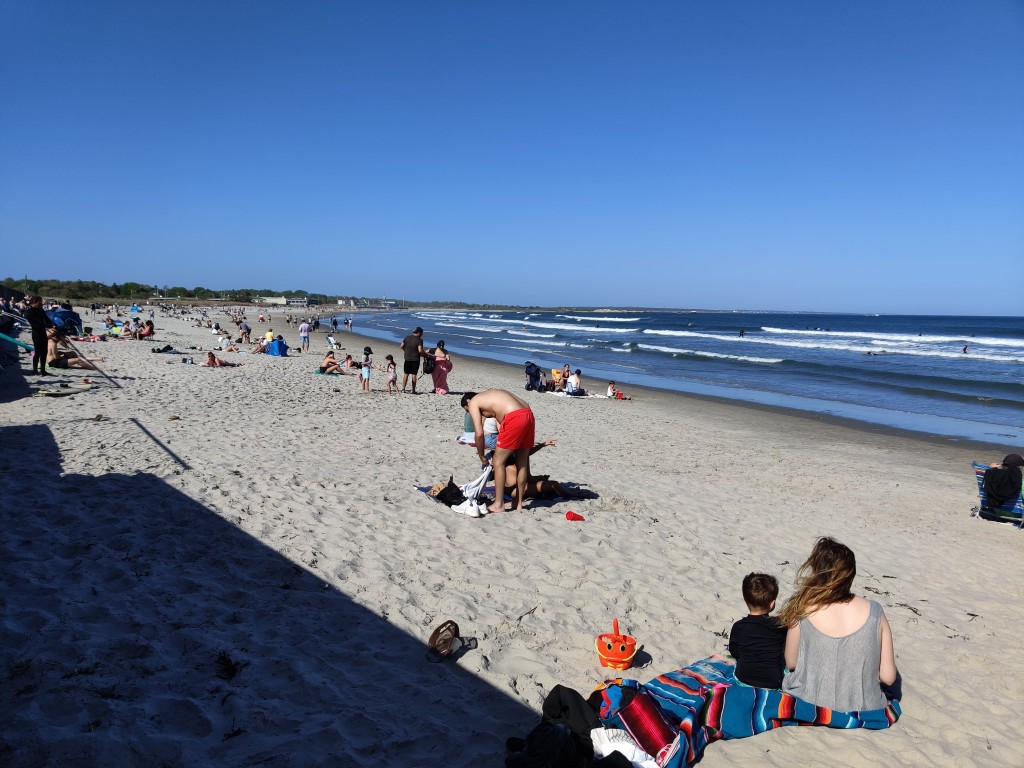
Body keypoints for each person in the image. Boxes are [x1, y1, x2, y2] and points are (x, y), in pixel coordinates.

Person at [778, 537, 898, 711]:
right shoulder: (875, 612)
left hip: (810, 701)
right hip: (865, 706)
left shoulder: (804, 608)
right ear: (851, 574)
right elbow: (888, 677)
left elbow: (791, 662)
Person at [462, 390, 535, 513]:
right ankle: (518, 503)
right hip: (528, 413)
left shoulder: (474, 402)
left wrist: (481, 455)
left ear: (468, 402)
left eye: (467, 410)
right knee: (521, 462)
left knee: (497, 461)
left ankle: (498, 504)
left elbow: (479, 434)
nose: (469, 413)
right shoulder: (490, 396)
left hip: (514, 416)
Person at [728, 573, 787, 688]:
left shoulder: (739, 627)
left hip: (743, 678)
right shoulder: (780, 626)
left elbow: (734, 651)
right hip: (773, 682)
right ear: (772, 604)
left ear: (746, 600)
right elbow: (783, 653)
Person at [24, 295, 54, 375]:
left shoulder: (40, 309)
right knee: (38, 352)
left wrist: (52, 323)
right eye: (39, 302)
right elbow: (38, 323)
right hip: (36, 333)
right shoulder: (29, 312)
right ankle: (34, 369)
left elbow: (46, 318)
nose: (41, 303)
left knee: (44, 352)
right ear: (34, 302)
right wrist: (48, 325)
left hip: (42, 332)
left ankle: (43, 370)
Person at [400, 326, 428, 393]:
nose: (422, 334)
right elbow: (420, 350)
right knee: (414, 374)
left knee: (406, 374)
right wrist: (425, 355)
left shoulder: (407, 338)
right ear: (418, 333)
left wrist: (406, 351)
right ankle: (413, 390)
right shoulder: (419, 340)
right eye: (421, 333)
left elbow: (401, 346)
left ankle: (403, 389)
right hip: (415, 359)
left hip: (407, 358)